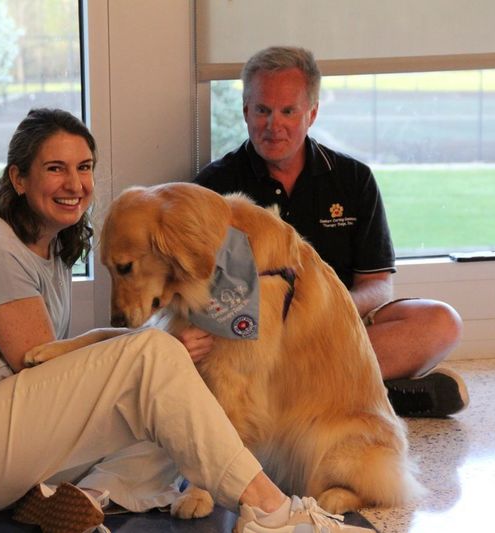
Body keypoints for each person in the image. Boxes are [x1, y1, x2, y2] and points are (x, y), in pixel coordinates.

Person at [0, 108, 373, 533]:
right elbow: (34, 365)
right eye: (54, 169)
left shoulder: (51, 248)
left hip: (1, 444)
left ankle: (82, 500)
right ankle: (272, 512)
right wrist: (154, 346)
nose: (74, 183)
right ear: (18, 179)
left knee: (172, 419)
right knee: (157, 360)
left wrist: (152, 352)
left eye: (83, 168)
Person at [194, 46, 468, 418]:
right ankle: (370, 395)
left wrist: (323, 315)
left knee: (441, 323)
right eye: (262, 110)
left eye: (288, 111)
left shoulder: (354, 179)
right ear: (246, 111)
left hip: (336, 329)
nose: (274, 125)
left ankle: (318, 397)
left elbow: (376, 284)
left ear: (312, 113)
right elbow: (200, 292)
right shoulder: (214, 188)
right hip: (257, 340)